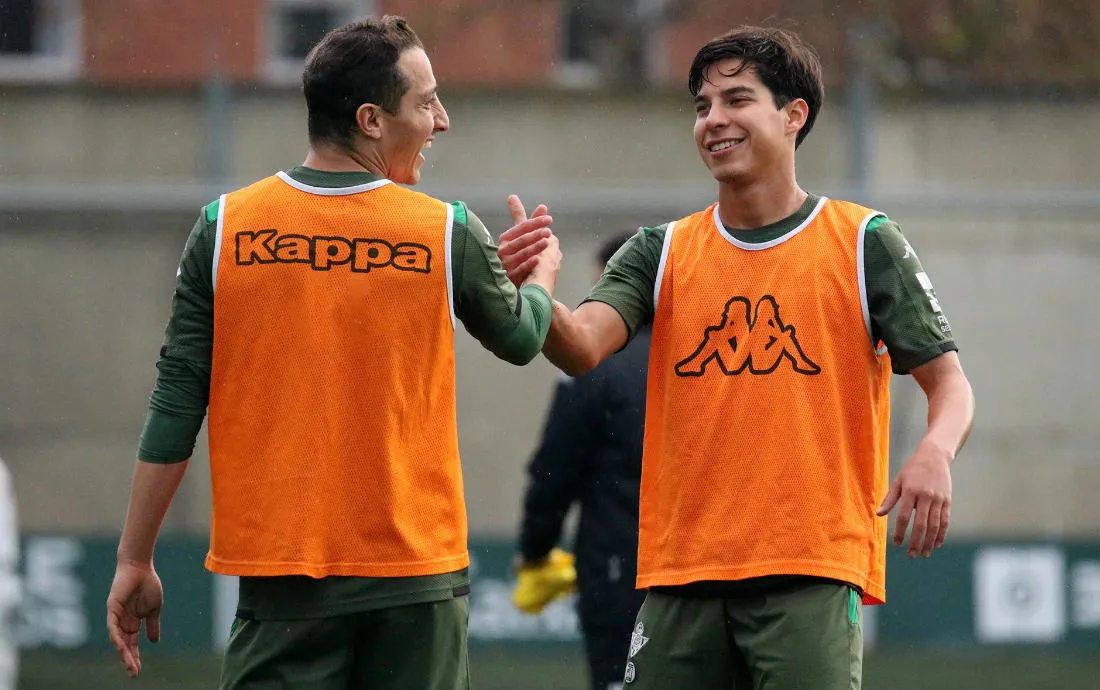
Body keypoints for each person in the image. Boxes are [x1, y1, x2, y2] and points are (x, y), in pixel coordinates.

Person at [499, 25, 975, 690]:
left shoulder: (863, 242)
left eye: (736, 100)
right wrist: (538, 289)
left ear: (793, 114)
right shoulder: (659, 250)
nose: (713, 120)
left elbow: (949, 383)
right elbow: (580, 347)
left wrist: (935, 451)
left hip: (810, 572)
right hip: (678, 577)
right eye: (702, 106)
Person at [105, 15, 561, 690]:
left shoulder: (224, 227)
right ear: (371, 120)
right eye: (427, 102)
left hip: (281, 584)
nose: (441, 121)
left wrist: (134, 558)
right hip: (416, 583)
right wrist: (541, 279)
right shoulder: (446, 231)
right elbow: (522, 339)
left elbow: (177, 398)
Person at [513, 231, 649, 690]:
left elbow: (555, 471)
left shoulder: (595, 365)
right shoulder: (710, 357)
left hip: (619, 571)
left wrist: (535, 551)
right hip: (706, 574)